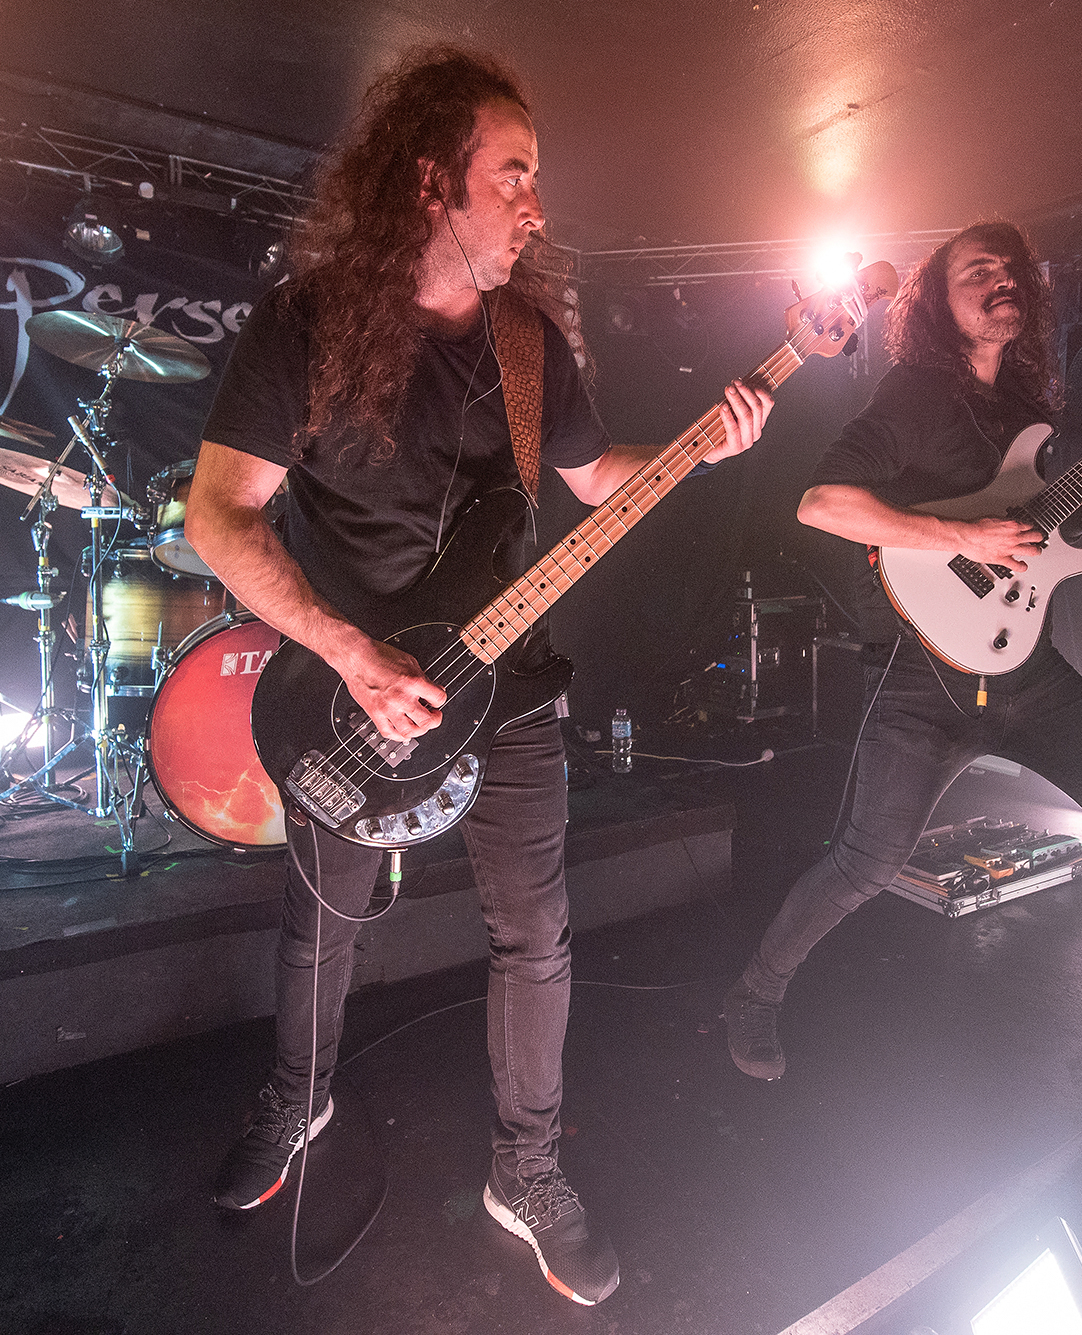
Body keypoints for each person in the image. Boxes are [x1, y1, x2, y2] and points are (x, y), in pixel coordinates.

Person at [184, 47, 772, 1306]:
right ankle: (296, 1099)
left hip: (505, 675)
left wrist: (702, 448)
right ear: (428, 182)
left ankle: (528, 1172)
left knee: (537, 936)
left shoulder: (526, 343)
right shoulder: (304, 324)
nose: (535, 205)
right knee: (320, 926)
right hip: (349, 694)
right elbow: (217, 518)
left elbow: (594, 482)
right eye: (512, 173)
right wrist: (349, 650)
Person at [720, 221, 1082, 1084]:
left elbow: (1039, 533)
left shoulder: (1026, 413)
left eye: (1011, 268)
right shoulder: (914, 394)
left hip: (1025, 668)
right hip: (922, 674)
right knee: (866, 862)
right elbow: (822, 503)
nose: (1000, 278)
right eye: (977, 270)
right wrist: (960, 535)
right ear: (938, 303)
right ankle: (754, 994)